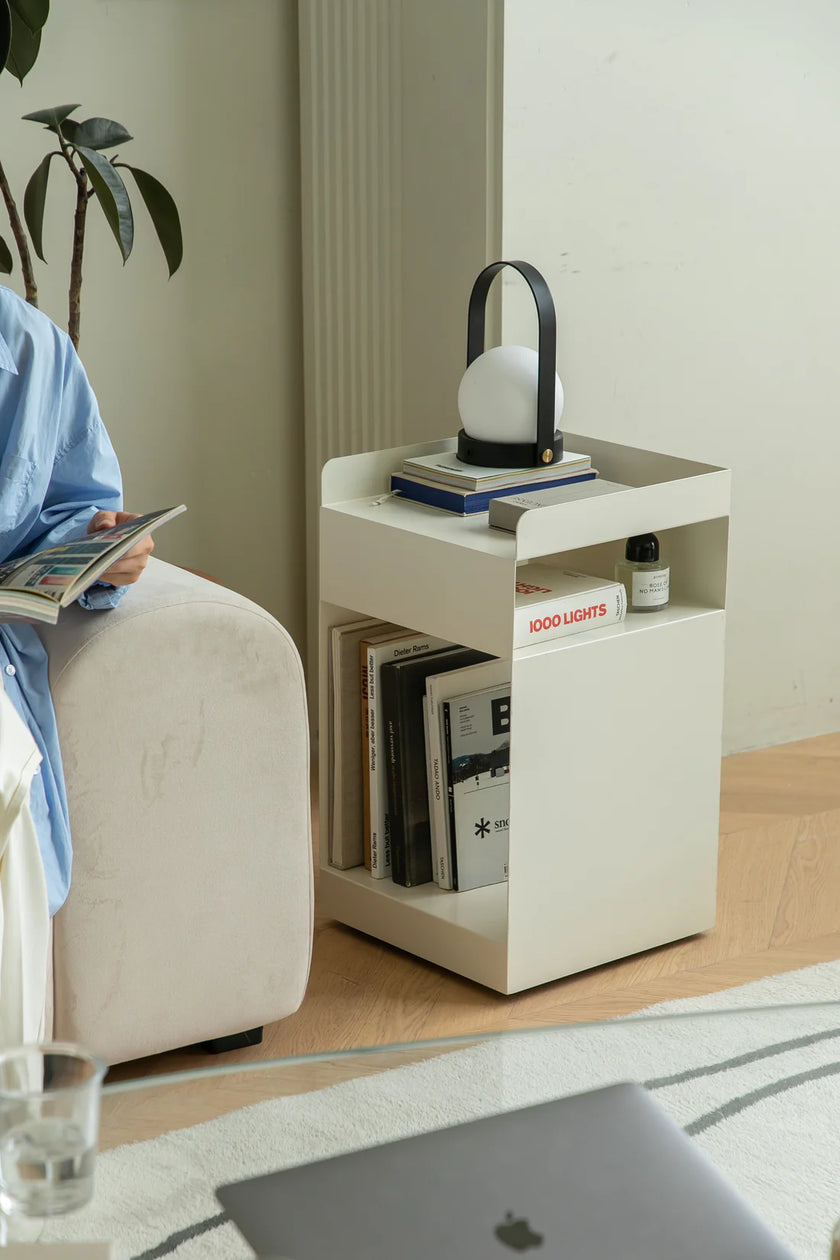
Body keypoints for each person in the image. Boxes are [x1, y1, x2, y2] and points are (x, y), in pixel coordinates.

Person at [0, 283, 153, 1039]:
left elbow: (70, 506)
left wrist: (104, 551)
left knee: (5, 782)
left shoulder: (27, 345)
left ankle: (10, 1116)